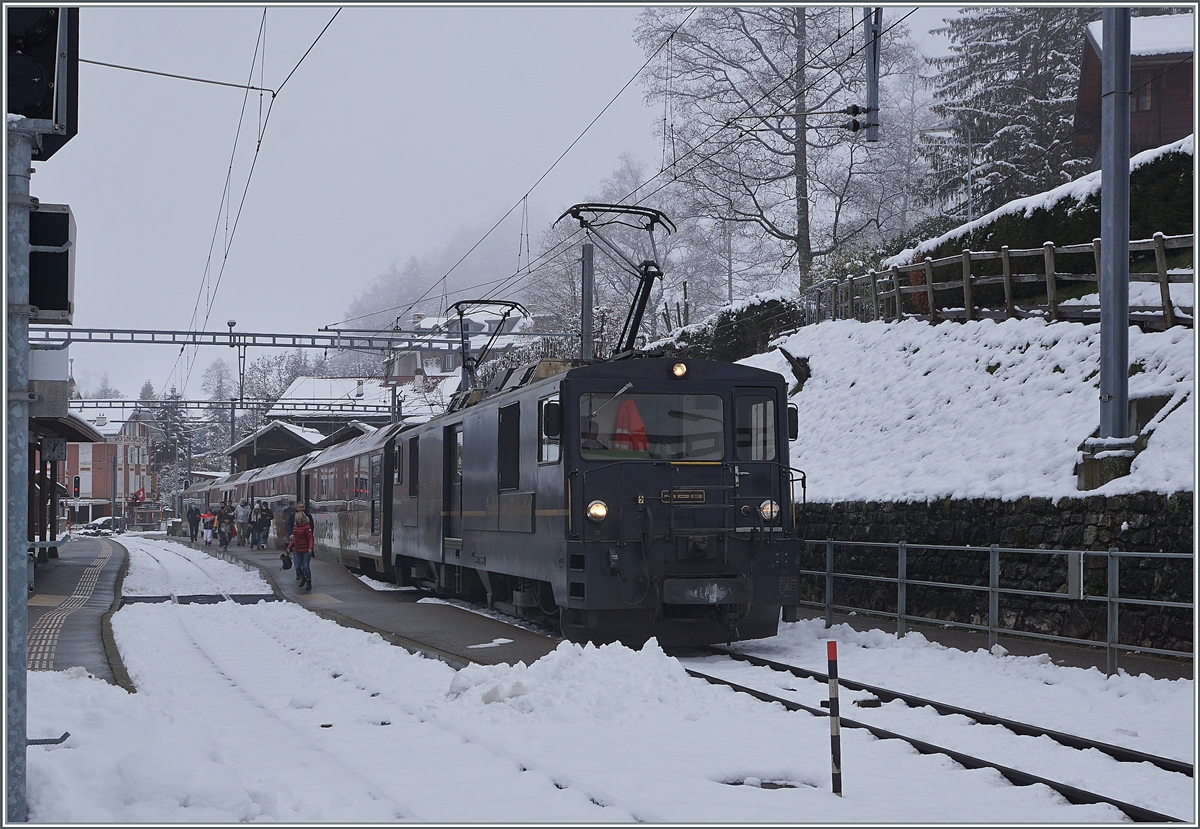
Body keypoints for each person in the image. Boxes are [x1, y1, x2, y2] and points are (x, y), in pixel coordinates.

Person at [287, 501, 315, 591]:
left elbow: (311, 537)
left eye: (303, 507)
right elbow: (295, 538)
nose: (302, 509)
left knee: (305, 566)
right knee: (297, 566)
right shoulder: (295, 526)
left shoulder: (307, 524)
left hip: (306, 549)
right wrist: (289, 547)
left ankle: (309, 581)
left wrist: (310, 547)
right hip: (298, 549)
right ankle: (303, 577)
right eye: (300, 507)